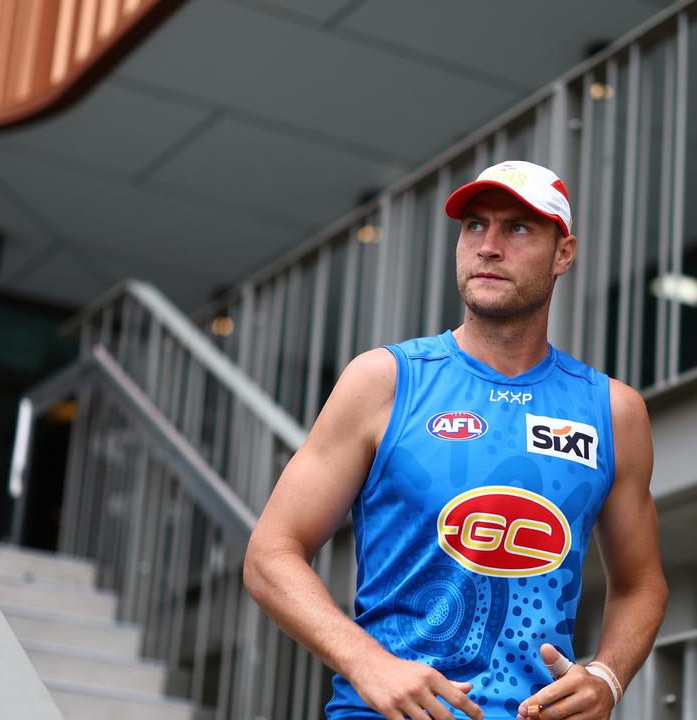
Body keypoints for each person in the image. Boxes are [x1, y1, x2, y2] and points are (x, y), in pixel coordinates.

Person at [244, 160, 668, 720]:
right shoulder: (384, 381)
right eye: (475, 225)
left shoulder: (613, 412)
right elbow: (270, 555)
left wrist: (607, 679)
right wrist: (367, 663)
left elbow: (641, 584)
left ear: (563, 253)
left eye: (517, 228)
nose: (489, 246)